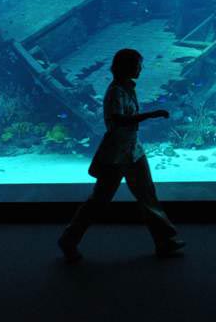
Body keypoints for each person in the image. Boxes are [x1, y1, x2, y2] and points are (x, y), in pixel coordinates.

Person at [58, 48, 185, 262]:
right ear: (126, 66)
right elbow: (117, 120)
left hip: (133, 150)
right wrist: (151, 114)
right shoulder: (116, 91)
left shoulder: (127, 87)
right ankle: (68, 240)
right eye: (137, 64)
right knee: (99, 200)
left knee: (147, 195)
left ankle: (166, 241)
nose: (140, 68)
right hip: (116, 154)